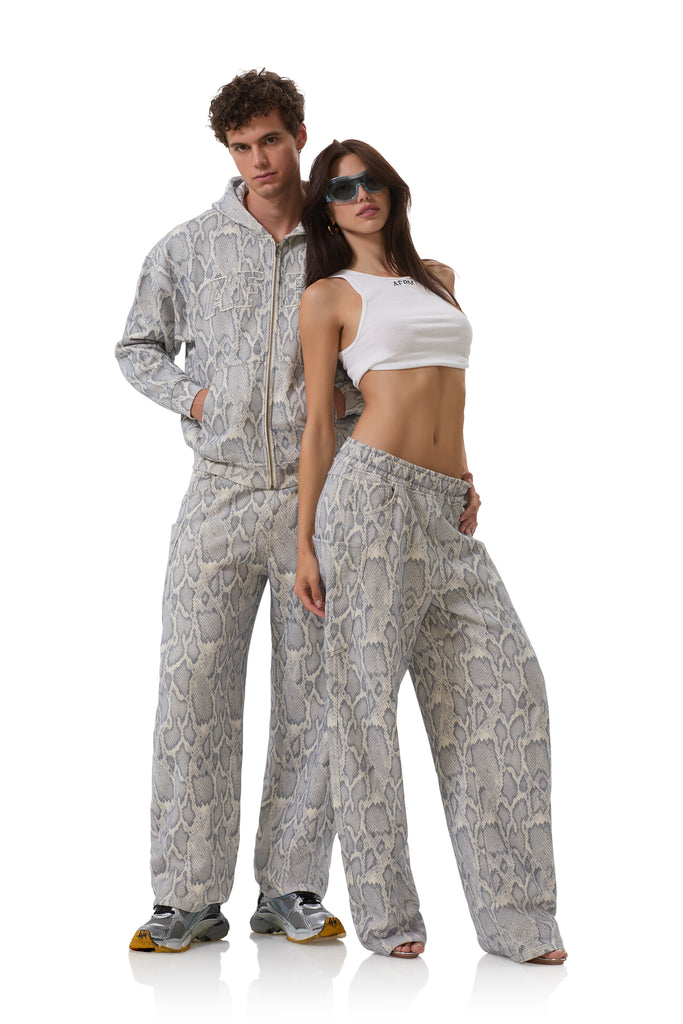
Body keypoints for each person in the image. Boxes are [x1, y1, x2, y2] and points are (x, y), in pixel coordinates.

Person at [294, 139, 567, 964]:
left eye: (370, 179)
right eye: (340, 188)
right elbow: (318, 426)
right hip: (369, 498)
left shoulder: (438, 279)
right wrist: (304, 541)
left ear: (391, 188)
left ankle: (517, 922)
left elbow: (452, 392)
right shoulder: (327, 297)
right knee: (365, 707)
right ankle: (388, 918)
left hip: (442, 506)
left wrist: (463, 476)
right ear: (326, 209)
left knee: (508, 688)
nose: (360, 194)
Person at [116, 70, 362, 953]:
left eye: (271, 141)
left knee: (315, 696)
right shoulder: (188, 246)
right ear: (228, 150)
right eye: (241, 146)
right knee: (192, 691)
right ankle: (185, 896)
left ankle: (290, 886)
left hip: (318, 498)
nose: (259, 160)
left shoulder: (343, 242)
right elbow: (137, 346)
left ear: (299, 136)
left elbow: (390, 358)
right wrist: (198, 400)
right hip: (218, 497)